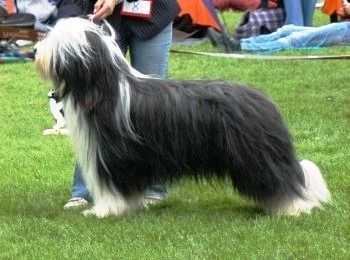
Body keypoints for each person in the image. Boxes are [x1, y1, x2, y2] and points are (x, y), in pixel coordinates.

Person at [63, 0, 180, 209]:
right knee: (91, 103)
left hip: (153, 13)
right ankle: (86, 189)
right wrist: (71, 21)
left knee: (154, 108)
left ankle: (152, 186)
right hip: (97, 18)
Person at [240, 21, 350, 52]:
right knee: (288, 29)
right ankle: (243, 42)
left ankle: (245, 48)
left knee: (293, 40)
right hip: (345, 27)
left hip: (345, 31)